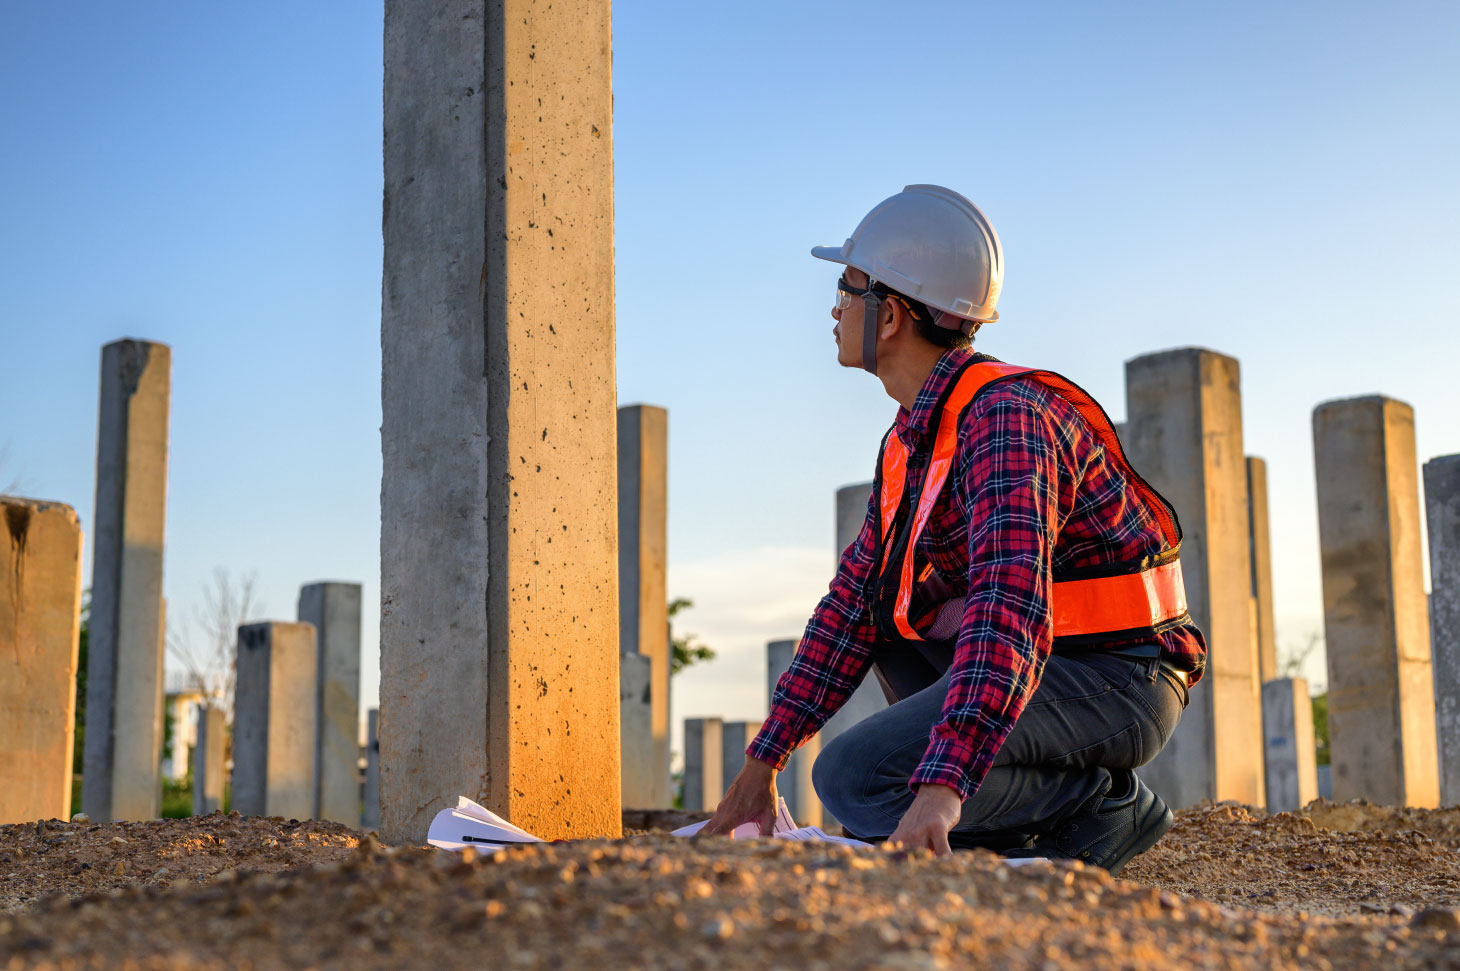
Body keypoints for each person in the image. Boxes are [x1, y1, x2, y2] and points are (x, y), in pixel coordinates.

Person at [700, 185, 1204, 874]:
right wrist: (760, 768)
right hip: (1050, 666)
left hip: (1121, 676)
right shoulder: (913, 437)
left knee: (854, 779)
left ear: (891, 318)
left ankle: (1100, 807)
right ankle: (984, 798)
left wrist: (939, 789)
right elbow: (850, 610)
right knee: (883, 625)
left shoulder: (1006, 419)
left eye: (848, 287)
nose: (834, 305)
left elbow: (1011, 613)